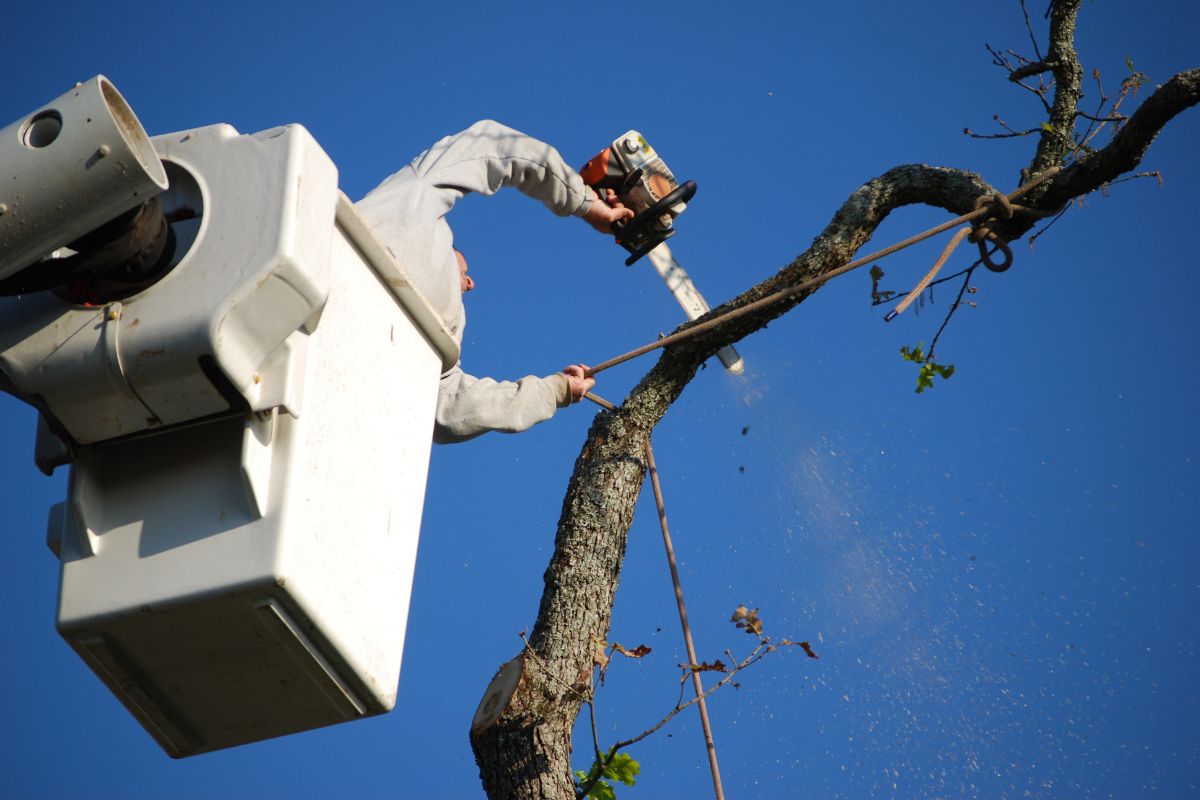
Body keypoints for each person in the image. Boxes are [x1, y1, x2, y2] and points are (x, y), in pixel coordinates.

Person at [355, 120, 631, 444]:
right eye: (464, 267)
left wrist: (555, 389)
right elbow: (493, 146)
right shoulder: (411, 206)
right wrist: (585, 203)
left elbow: (453, 411)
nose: (471, 283)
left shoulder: (445, 344)